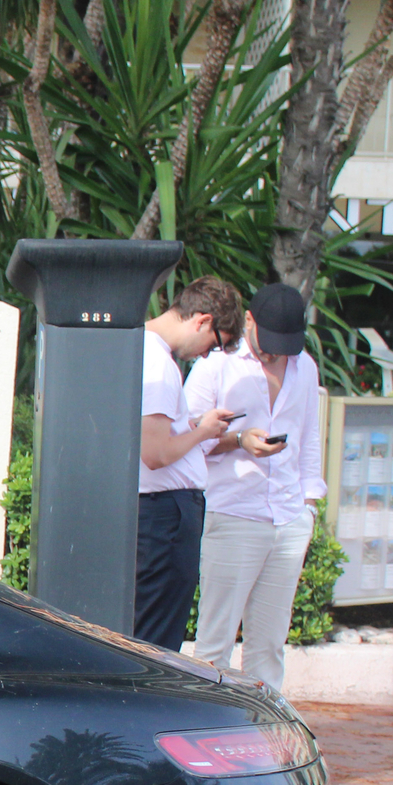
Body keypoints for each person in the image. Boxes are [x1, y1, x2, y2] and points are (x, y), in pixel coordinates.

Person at [186, 282, 326, 692]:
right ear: (249, 320)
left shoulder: (305, 367)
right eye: (269, 344)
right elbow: (184, 438)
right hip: (232, 512)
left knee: (269, 646)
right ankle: (206, 730)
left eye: (286, 346)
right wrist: (238, 441)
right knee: (215, 643)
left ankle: (264, 739)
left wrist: (309, 508)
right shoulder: (217, 365)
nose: (275, 354)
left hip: (288, 515)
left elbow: (308, 439)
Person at [135, 277, 244, 651]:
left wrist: (191, 427)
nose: (205, 356)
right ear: (201, 321)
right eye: (214, 344)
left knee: (152, 631)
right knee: (157, 642)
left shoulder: (145, 351)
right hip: (165, 517)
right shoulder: (159, 364)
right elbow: (155, 454)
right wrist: (205, 431)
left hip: (161, 516)